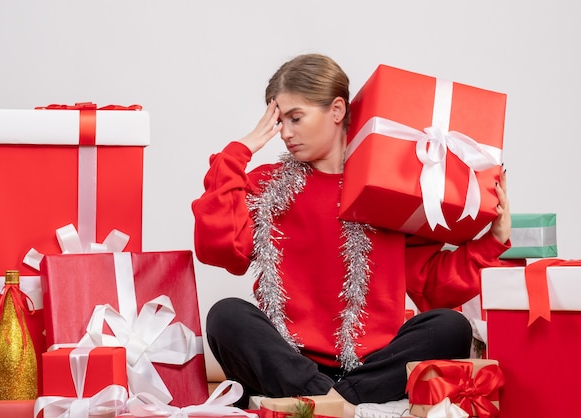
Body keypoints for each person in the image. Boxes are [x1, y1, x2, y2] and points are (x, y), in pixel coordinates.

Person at [191, 53, 511, 418]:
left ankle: (331, 403)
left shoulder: (386, 185)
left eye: (295, 118)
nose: (285, 133)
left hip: (373, 366)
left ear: (337, 110)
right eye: (279, 122)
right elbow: (219, 249)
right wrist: (237, 153)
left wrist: (493, 240)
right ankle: (337, 403)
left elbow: (433, 286)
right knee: (225, 316)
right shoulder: (267, 185)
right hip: (290, 361)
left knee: (451, 326)